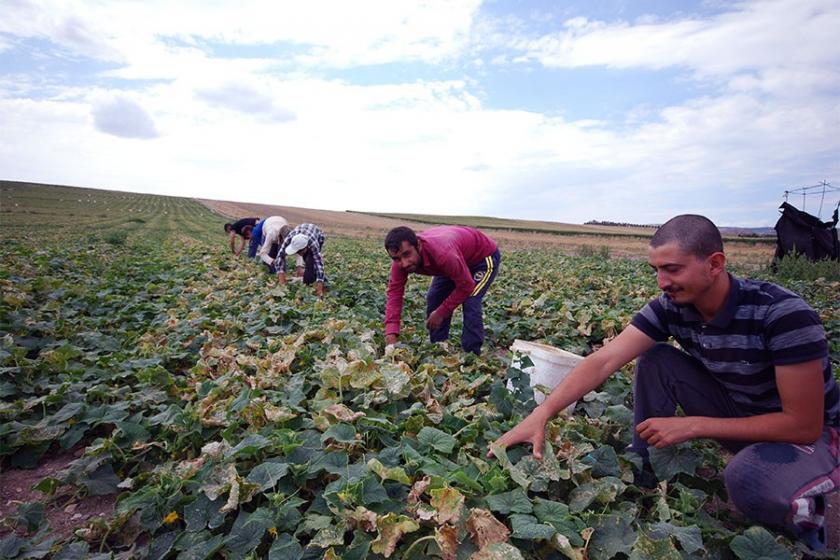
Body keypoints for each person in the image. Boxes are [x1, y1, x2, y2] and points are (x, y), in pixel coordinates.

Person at [489, 214, 839, 550]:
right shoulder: (672, 307)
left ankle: (805, 520)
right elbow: (603, 360)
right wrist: (543, 412)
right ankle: (643, 469)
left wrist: (693, 425)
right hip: (742, 411)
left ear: (715, 263)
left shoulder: (783, 314)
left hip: (814, 434)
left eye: (673, 269)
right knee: (656, 357)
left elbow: (803, 425)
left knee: (746, 479)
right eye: (656, 269)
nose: (662, 281)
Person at [384, 225, 501, 355]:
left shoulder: (443, 254)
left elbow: (466, 286)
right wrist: (391, 333)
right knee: (435, 297)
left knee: (471, 300)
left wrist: (441, 312)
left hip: (481, 258)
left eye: (407, 254)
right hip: (455, 258)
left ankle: (472, 355)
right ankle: (438, 349)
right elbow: (395, 294)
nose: (404, 263)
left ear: (418, 245)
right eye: (397, 259)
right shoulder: (400, 264)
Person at [274, 223, 326, 296]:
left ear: (306, 247)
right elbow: (280, 257)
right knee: (307, 261)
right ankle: (311, 280)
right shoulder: (289, 239)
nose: (298, 254)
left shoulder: (313, 244)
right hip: (302, 231)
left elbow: (319, 263)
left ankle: (316, 282)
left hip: (318, 235)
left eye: (300, 251)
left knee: (311, 262)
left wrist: (320, 287)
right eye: (297, 251)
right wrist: (282, 281)